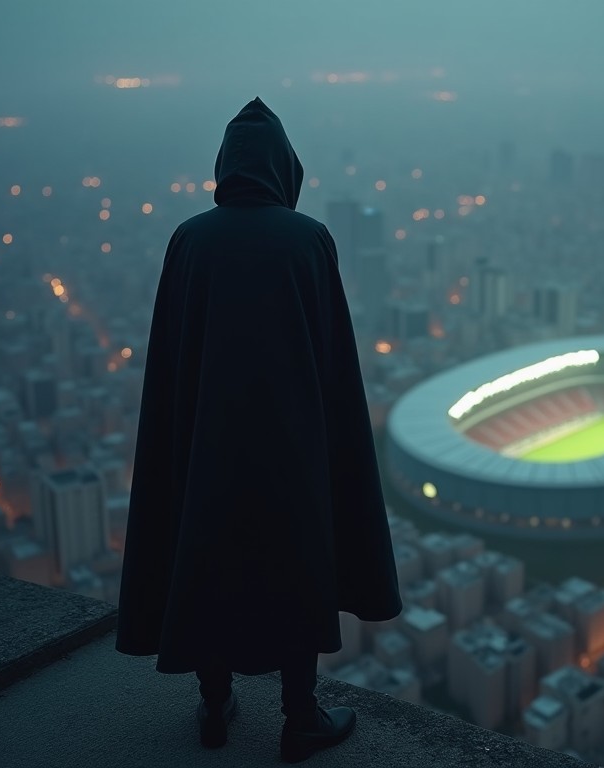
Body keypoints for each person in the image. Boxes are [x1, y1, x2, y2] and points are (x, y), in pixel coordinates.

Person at [115, 97, 402, 763]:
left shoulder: (189, 239)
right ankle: (299, 717)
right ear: (283, 168)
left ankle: (214, 707)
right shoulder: (307, 240)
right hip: (292, 449)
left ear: (226, 167)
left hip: (205, 444)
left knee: (208, 560)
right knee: (296, 568)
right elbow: (332, 361)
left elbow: (171, 361)